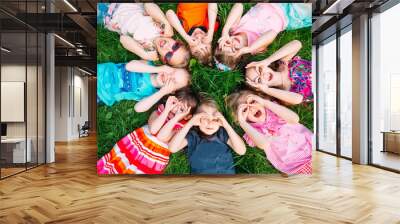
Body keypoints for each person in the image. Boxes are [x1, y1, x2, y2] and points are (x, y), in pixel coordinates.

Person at [97, 90, 199, 174]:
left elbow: (162, 137)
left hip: (155, 156)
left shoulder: (181, 127)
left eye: (181, 109)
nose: (176, 108)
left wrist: (176, 118)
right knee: (118, 163)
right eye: (175, 103)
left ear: (187, 116)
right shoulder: (161, 111)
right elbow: (153, 129)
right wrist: (167, 110)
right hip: (139, 142)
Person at [227, 90, 312, 175]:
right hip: (296, 165)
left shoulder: (274, 110)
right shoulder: (252, 131)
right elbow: (264, 144)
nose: (252, 108)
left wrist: (264, 102)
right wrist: (243, 123)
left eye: (253, 101)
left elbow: (294, 119)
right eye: (245, 109)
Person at [215, 3, 311, 70]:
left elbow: (239, 6)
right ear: (241, 55)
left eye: (227, 43)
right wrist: (249, 48)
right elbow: (272, 33)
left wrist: (225, 31)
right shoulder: (255, 48)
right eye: (235, 49)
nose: (232, 43)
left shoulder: (234, 29)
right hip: (290, 15)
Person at [169, 97, 246, 174]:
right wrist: (190, 123)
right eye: (205, 118)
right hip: (202, 182)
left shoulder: (222, 134)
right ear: (196, 118)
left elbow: (241, 151)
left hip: (226, 181)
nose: (210, 123)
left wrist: (226, 125)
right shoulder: (193, 136)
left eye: (215, 119)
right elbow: (172, 148)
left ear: (221, 120)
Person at [98, 3, 190, 67]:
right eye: (175, 46)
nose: (168, 48)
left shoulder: (149, 49)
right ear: (177, 41)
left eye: (169, 55)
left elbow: (123, 39)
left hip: (107, 16)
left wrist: (144, 54)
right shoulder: (163, 29)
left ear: (163, 59)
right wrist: (166, 23)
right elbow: (148, 5)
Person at [97, 60, 190, 108]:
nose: (169, 77)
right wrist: (159, 69)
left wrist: (162, 92)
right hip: (101, 72)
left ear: (172, 91)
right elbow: (129, 66)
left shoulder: (152, 95)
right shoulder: (149, 65)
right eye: (172, 72)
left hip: (103, 95)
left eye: (173, 81)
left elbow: (138, 108)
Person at [245, 40, 312, 104]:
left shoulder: (283, 63)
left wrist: (268, 60)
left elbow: (297, 44)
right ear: (260, 87)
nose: (262, 75)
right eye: (259, 80)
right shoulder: (285, 92)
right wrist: (267, 90)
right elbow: (298, 99)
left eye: (259, 69)